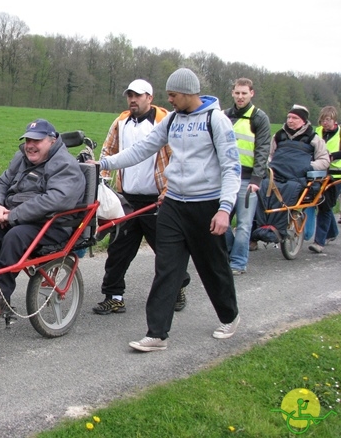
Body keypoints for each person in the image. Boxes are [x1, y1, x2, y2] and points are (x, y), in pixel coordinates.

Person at [97, 68, 242, 352]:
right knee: (167, 268)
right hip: (174, 203)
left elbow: (231, 167)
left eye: (173, 95)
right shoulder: (173, 120)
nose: (170, 100)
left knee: (212, 266)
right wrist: (102, 164)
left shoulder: (216, 120)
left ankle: (229, 316)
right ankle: (157, 334)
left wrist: (225, 209)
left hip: (207, 205)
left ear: (188, 93)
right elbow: (142, 149)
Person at [0, 119, 85, 314]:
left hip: (52, 225)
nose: (30, 145)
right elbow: (0, 183)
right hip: (20, 220)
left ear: (52, 141)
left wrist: (13, 215)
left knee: (15, 236)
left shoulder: (66, 165)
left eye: (37, 141)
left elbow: (56, 200)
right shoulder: (21, 159)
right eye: (28, 140)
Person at [93, 79, 190, 315]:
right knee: (118, 250)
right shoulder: (121, 121)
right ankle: (114, 296)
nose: (132, 100)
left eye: (137, 95)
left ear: (150, 97)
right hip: (127, 199)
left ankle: (177, 286)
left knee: (167, 251)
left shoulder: (164, 121)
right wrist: (101, 180)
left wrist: (170, 190)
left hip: (158, 200)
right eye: (129, 96)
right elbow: (108, 150)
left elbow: (177, 157)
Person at [252, 105, 330, 245]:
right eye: (289, 117)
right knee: (261, 188)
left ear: (304, 121)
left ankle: (278, 229)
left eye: (295, 118)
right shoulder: (279, 136)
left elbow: (324, 160)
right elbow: (269, 156)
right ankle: (259, 230)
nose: (290, 120)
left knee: (290, 189)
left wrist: (307, 166)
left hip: (297, 178)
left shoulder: (314, 139)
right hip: (276, 175)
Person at [223, 78, 271, 274]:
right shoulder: (224, 116)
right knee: (221, 220)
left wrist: (256, 180)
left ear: (252, 93)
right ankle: (228, 253)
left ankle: (238, 263)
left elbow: (262, 150)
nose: (240, 97)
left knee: (243, 224)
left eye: (244, 93)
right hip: (226, 177)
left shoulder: (259, 118)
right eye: (237, 93)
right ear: (233, 93)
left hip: (248, 179)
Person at [309, 106, 340, 253]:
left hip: (337, 174)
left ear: (334, 120)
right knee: (324, 204)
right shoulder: (317, 132)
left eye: (327, 120)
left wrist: (333, 156)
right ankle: (332, 232)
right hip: (321, 173)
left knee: (325, 206)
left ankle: (319, 242)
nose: (325, 123)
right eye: (322, 120)